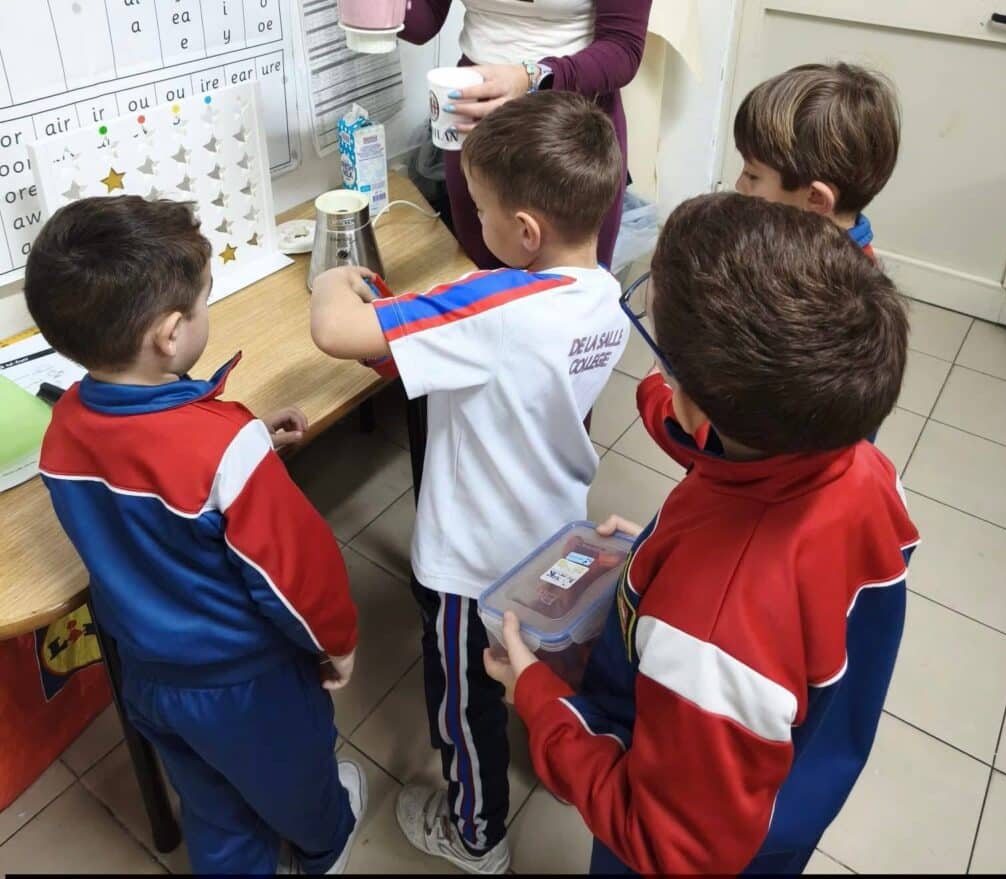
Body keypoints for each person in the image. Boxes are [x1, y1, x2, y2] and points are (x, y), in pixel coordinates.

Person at [484, 193, 920, 875]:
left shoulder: (711, 637)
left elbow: (664, 842)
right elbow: (792, 581)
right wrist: (665, 552)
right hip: (785, 800)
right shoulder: (864, 468)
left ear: (689, 401)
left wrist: (539, 699)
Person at [309, 91, 630, 874]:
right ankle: (568, 763)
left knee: (463, 696)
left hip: (472, 563)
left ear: (524, 231)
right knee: (546, 661)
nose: (473, 222)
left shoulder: (493, 303)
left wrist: (330, 277)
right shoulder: (606, 294)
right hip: (556, 539)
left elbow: (335, 330)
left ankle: (476, 832)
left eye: (479, 210)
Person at [24, 196, 366, 876]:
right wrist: (339, 643)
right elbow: (297, 576)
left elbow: (143, 489)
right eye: (206, 300)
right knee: (296, 779)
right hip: (245, 683)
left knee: (210, 800)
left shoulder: (62, 427)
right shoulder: (224, 451)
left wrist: (246, 443)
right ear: (172, 334)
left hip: (149, 675)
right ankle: (327, 846)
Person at [401, 0, 653, 269]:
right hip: (476, 110)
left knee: (573, 284)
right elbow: (424, 20)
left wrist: (532, 78)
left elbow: (622, 48)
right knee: (485, 273)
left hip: (569, 122)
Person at [733, 62, 901, 263]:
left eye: (752, 176)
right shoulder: (785, 240)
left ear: (816, 198)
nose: (739, 185)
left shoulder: (825, 280)